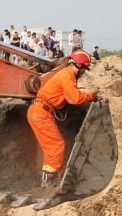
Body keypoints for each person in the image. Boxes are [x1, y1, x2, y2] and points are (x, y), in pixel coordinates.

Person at [27, 50, 98, 185]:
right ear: (78, 65)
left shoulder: (65, 74)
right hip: (41, 113)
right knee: (56, 145)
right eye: (83, 68)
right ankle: (51, 180)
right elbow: (74, 98)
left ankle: (47, 179)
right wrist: (91, 95)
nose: (84, 72)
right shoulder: (67, 75)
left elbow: (70, 94)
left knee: (51, 147)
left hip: (39, 111)